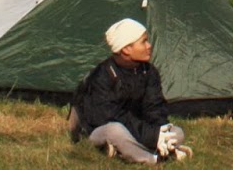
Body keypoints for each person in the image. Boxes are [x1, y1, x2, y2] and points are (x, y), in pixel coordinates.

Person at [70, 18, 192, 164]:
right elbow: (111, 117)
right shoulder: (102, 76)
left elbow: (154, 107)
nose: (149, 46)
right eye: (144, 42)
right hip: (99, 129)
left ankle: (125, 151)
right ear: (126, 49)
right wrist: (153, 137)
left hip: (137, 128)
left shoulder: (149, 71)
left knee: (177, 133)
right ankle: (154, 159)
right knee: (115, 131)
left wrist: (162, 132)